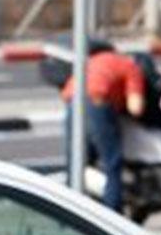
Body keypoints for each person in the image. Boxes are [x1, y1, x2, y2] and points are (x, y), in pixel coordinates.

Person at [59, 38, 147, 209]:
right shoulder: (128, 65)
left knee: (76, 163)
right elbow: (135, 107)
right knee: (112, 164)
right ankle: (112, 215)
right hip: (99, 105)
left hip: (72, 105)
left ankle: (70, 212)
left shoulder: (90, 63)